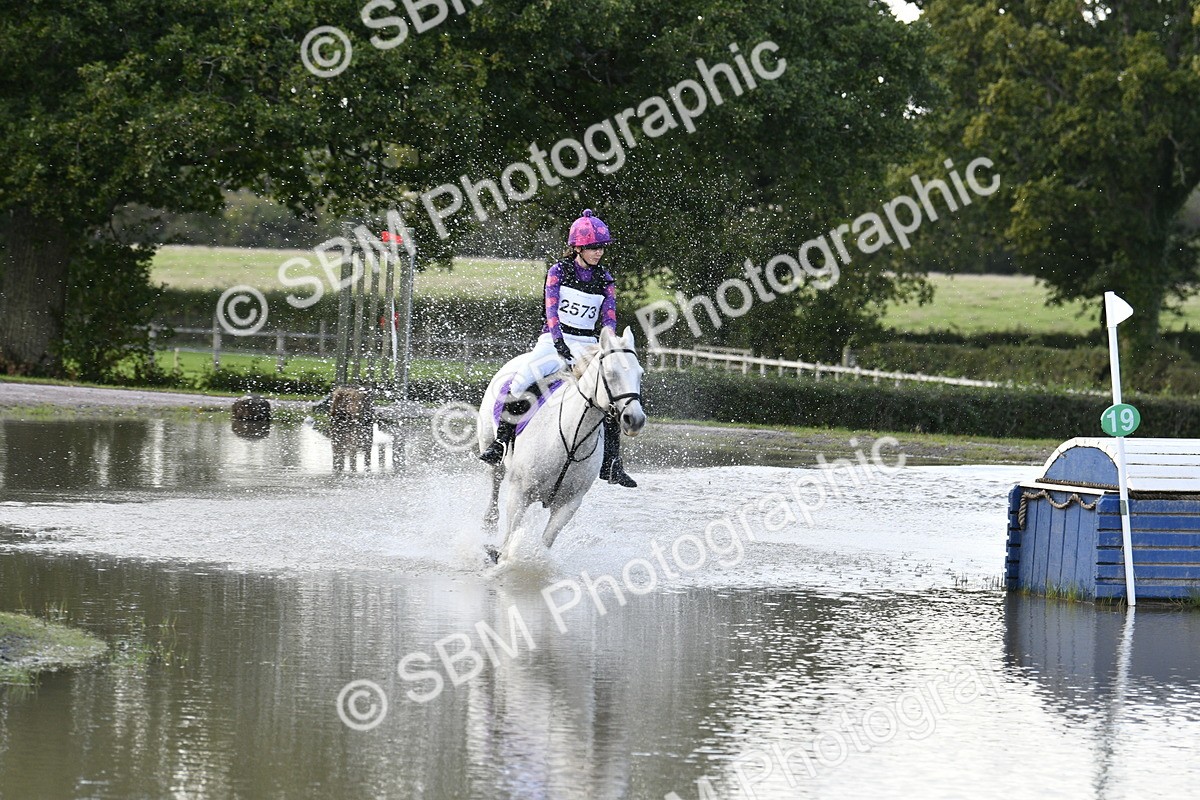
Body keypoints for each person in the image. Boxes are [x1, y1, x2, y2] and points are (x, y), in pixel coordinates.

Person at [479, 209, 637, 488]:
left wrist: (608, 346)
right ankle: (501, 443)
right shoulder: (558, 271)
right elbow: (551, 310)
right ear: (578, 247)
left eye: (600, 247)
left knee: (611, 395)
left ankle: (611, 463)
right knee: (521, 382)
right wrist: (559, 343)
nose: (598, 252)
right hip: (553, 341)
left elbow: (609, 318)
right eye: (592, 247)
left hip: (588, 345)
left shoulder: (606, 279)